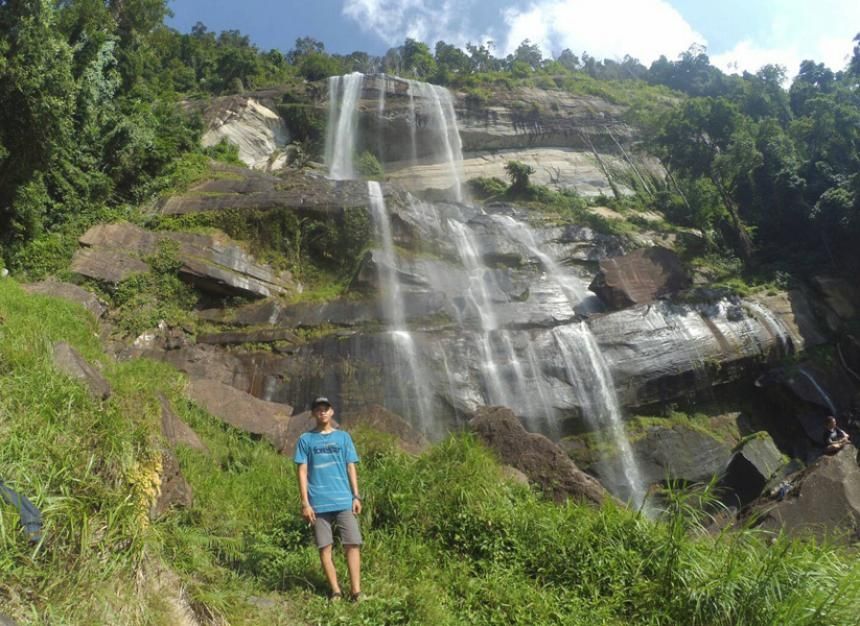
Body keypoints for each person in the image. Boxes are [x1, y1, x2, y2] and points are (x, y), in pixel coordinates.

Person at [294, 396, 363, 601]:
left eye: (325, 408)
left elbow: (351, 466)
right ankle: (335, 591)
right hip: (318, 502)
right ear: (314, 414)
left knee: (353, 543)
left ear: (332, 412)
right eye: (318, 409)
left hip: (343, 499)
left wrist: (356, 496)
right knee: (325, 547)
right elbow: (302, 471)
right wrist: (305, 502)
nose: (322, 411)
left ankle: (356, 592)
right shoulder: (305, 439)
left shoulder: (343, 438)